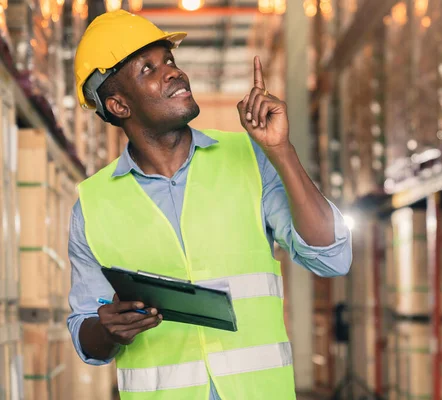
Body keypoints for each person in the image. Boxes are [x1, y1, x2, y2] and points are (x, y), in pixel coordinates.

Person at [66, 9, 352, 400]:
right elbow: (86, 334)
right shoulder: (93, 205)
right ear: (118, 106)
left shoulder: (249, 160)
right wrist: (107, 330)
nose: (173, 72)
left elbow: (331, 257)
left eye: (169, 60)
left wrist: (281, 152)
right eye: (148, 69)